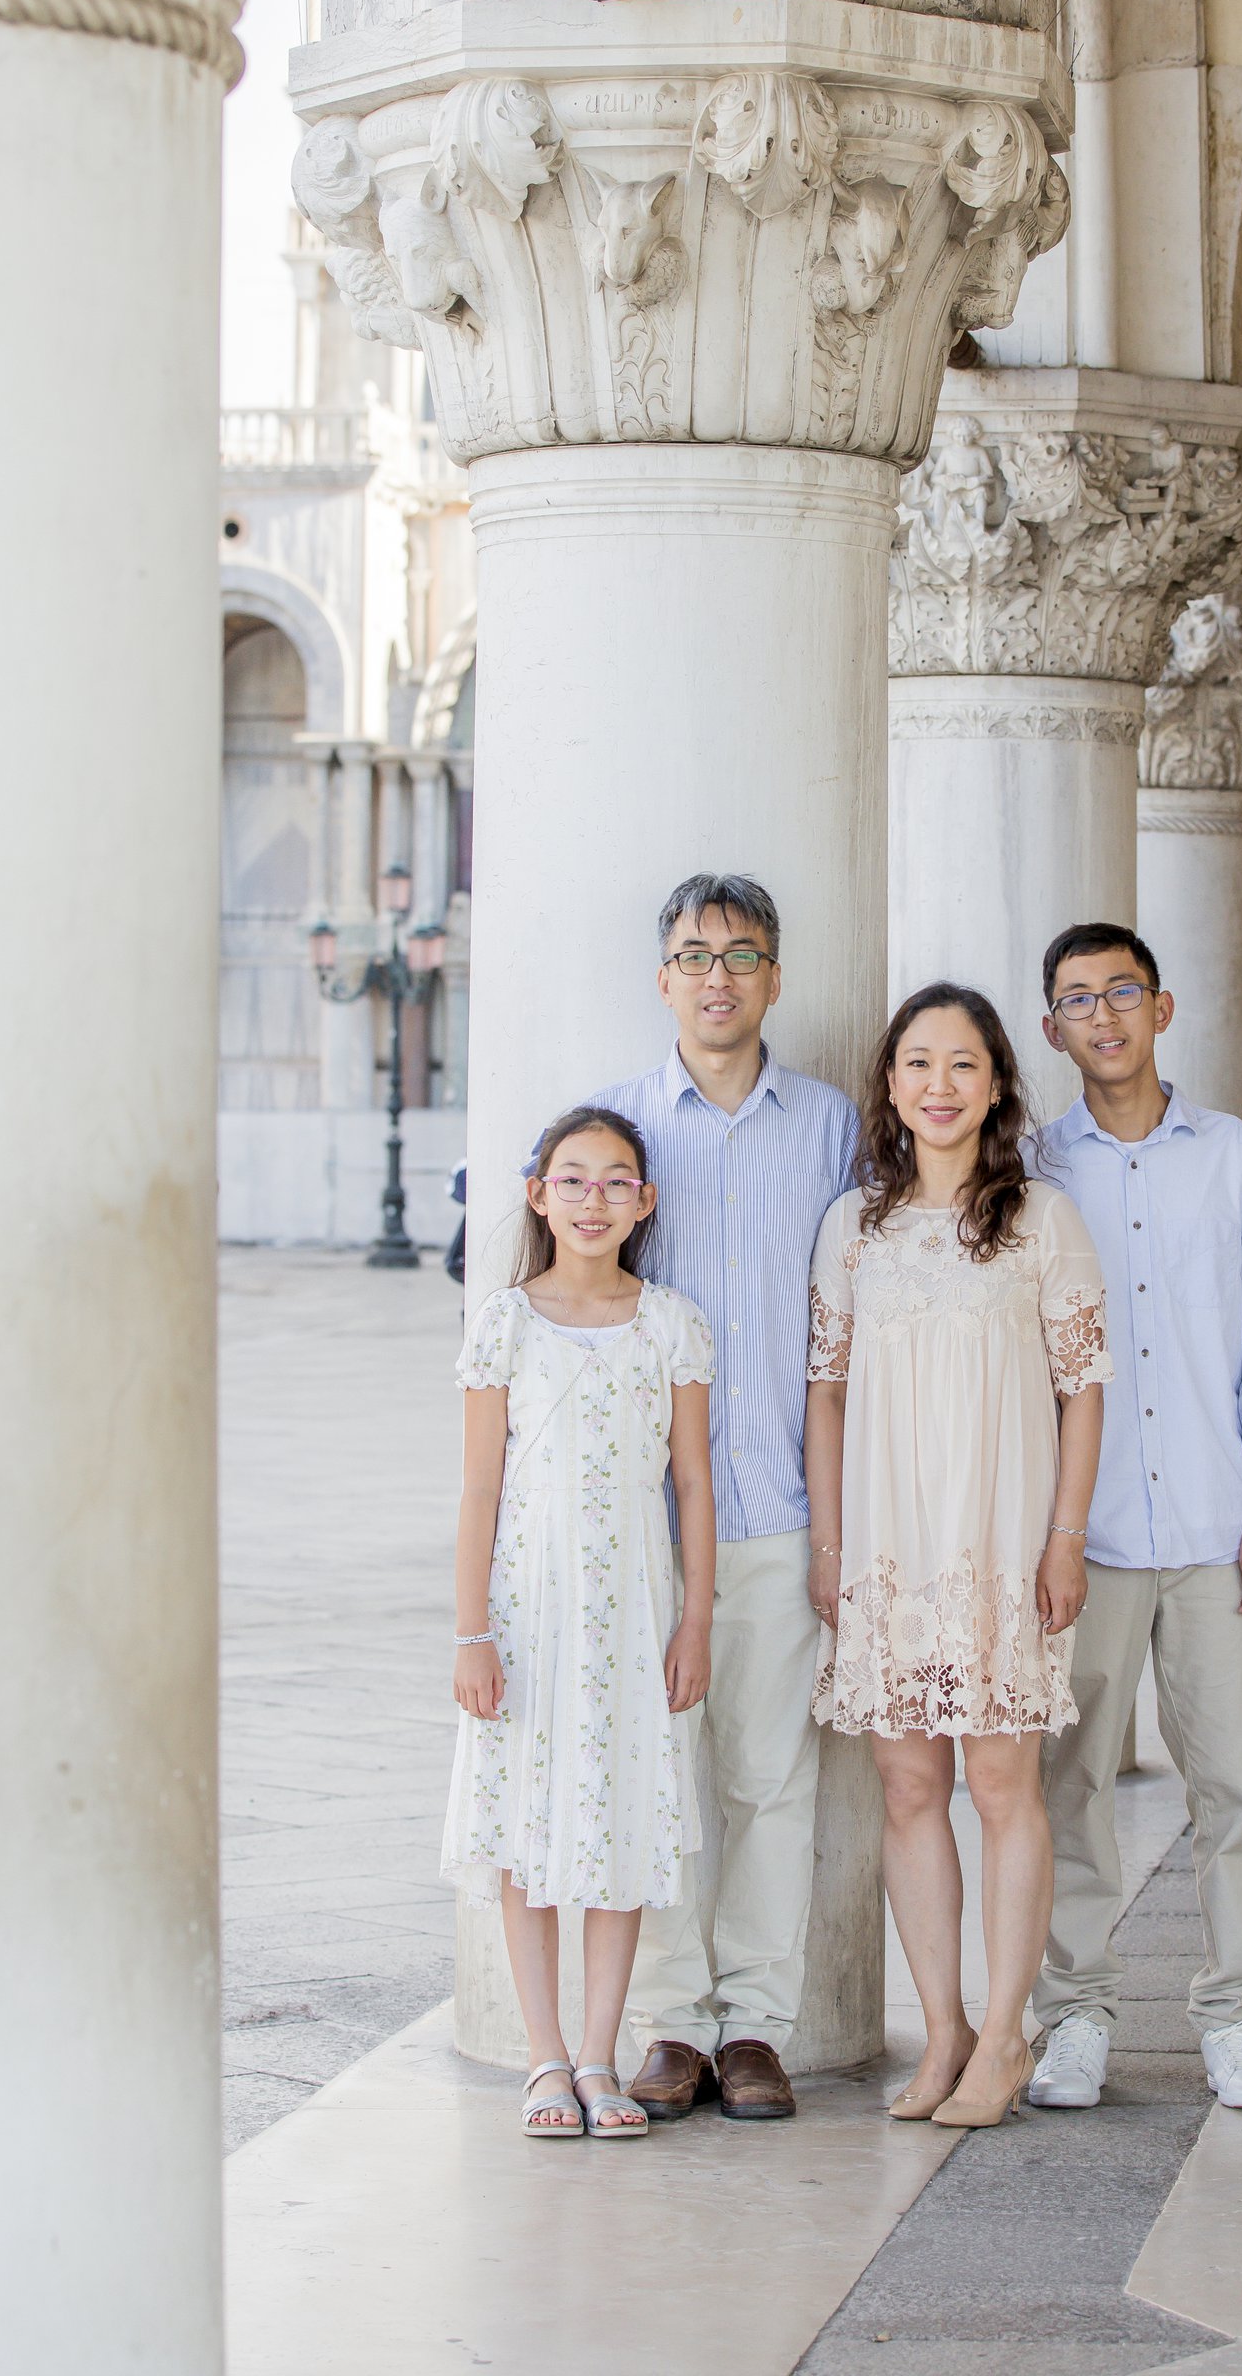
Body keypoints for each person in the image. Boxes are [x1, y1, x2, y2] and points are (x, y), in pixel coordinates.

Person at [806, 984, 1110, 2127]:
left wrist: (1064, 1539)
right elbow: (826, 1394)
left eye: (963, 1064)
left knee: (999, 1782)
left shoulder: (1043, 1220)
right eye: (919, 1064)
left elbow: (1084, 1393)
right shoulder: (852, 1228)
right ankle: (944, 2033)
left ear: (996, 1086)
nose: (939, 1085)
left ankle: (1009, 2034)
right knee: (907, 1785)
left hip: (998, 1542)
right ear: (890, 1085)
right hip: (890, 1546)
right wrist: (833, 1547)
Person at [592, 874, 858, 2124]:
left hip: (784, 1504)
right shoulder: (621, 1132)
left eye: (741, 956)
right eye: (695, 956)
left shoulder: (833, 1128)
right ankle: (672, 2024)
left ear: (774, 979)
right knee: (661, 1777)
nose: (717, 978)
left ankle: (755, 2024)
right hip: (648, 1520)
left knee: (770, 1781)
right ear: (664, 979)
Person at [1026, 922, 1242, 2115]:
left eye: (1122, 991)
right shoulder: (1033, 1170)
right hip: (1080, 1541)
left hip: (1210, 1524)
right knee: (1069, 1787)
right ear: (1052, 1029)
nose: (1104, 1015)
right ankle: (1075, 2016)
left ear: (1163, 1007)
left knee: (1230, 1787)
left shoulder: (1237, 1160)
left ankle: (1233, 2015)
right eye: (1079, 999)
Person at [444, 1107, 718, 2140]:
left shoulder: (670, 1323)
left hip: (633, 1612)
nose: (592, 1200)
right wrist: (471, 1632)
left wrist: (695, 1621)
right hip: (527, 1609)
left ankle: (601, 2056)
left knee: (620, 1823)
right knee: (528, 1830)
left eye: (614, 1181)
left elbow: (692, 1483)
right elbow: (479, 1489)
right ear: (538, 1194)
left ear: (645, 1201)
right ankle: (545, 2057)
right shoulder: (505, 1324)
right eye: (573, 1179)